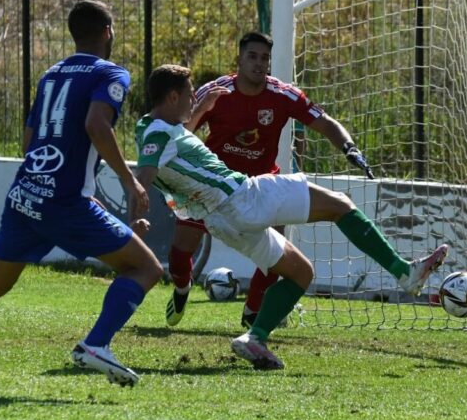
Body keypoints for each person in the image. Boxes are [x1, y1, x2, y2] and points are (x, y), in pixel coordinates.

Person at [0, 0, 163, 392]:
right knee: (146, 268)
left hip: (27, 193)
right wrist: (129, 180)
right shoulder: (112, 73)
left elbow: (29, 141)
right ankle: (96, 344)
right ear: (108, 32)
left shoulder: (51, 75)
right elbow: (95, 123)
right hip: (63, 202)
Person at [134, 65, 448, 371]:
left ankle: (254, 338)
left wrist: (202, 106)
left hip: (222, 222)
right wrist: (132, 220)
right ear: (173, 98)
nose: (194, 100)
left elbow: (166, 148)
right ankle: (404, 272)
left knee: (301, 273)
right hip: (243, 197)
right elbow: (144, 173)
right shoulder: (159, 133)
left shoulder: (150, 129)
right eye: (190, 95)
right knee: (341, 204)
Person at [165, 31, 373, 330]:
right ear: (239, 59)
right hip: (210, 185)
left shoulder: (282, 95)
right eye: (252, 56)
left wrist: (349, 147)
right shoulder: (217, 91)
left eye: (265, 58)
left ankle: (252, 312)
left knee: (278, 253)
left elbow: (324, 122)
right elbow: (183, 131)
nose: (259, 63)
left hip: (261, 185)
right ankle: (182, 288)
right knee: (180, 252)